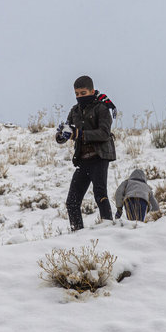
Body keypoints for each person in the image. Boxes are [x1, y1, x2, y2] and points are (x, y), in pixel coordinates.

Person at [56, 75, 116, 231]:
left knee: (100, 195)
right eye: (76, 94)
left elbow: (104, 133)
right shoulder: (74, 110)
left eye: (83, 93)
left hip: (99, 157)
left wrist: (79, 134)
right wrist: (62, 135)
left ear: (92, 91)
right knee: (72, 202)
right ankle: (77, 234)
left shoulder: (102, 108)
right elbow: (67, 131)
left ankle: (109, 230)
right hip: (82, 160)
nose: (79, 97)